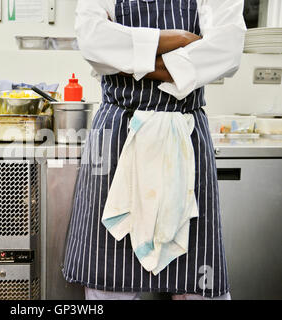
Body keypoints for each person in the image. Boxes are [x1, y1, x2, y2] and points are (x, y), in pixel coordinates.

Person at [62, 0, 246, 300]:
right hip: (118, 133)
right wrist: (180, 40)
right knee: (108, 279)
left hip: (185, 133)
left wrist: (134, 60)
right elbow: (94, 41)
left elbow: (226, 50)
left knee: (198, 284)